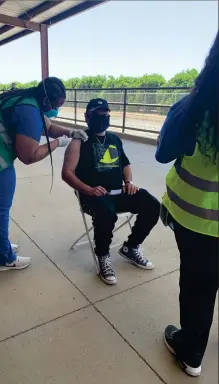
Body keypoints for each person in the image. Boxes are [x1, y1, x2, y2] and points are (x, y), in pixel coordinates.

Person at [0, 77, 88, 272]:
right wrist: (58, 143)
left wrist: (70, 132)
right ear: (46, 101)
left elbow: (48, 127)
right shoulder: (29, 112)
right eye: (57, 105)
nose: (57, 109)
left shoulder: (27, 99)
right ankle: (4, 259)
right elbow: (29, 155)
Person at [156, 33, 218, 377]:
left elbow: (163, 153)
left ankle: (191, 350)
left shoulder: (192, 108)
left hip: (195, 218)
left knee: (199, 285)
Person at [62, 98, 160, 285]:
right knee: (106, 212)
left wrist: (129, 181)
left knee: (152, 204)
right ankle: (103, 256)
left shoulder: (114, 139)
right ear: (87, 116)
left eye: (106, 115)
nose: (103, 118)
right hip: (94, 196)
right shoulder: (80, 140)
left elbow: (125, 164)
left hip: (119, 193)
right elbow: (66, 173)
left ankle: (130, 247)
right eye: (98, 115)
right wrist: (87, 189)